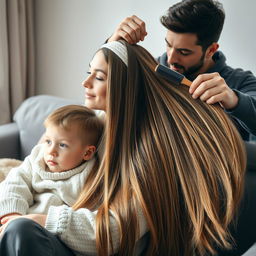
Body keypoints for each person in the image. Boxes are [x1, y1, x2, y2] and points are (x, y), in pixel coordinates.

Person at [0, 40, 246, 256]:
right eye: (89, 72)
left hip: (73, 242)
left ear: (123, 87)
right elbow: (22, 174)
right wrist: (11, 215)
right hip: (32, 228)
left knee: (22, 231)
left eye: (98, 77)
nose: (85, 82)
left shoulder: (147, 155)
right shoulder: (82, 127)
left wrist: (40, 221)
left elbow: (116, 230)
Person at [107, 0, 256, 171]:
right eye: (169, 45)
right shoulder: (147, 71)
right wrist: (112, 46)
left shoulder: (240, 81)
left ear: (211, 50)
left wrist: (234, 100)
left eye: (184, 52)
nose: (171, 59)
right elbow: (103, 95)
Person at [0, 104, 104, 228]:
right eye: (48, 141)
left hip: (47, 229)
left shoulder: (91, 176)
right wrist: (13, 214)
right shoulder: (37, 158)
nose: (51, 151)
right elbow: (14, 183)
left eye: (62, 145)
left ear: (87, 152)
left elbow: (89, 216)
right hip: (18, 217)